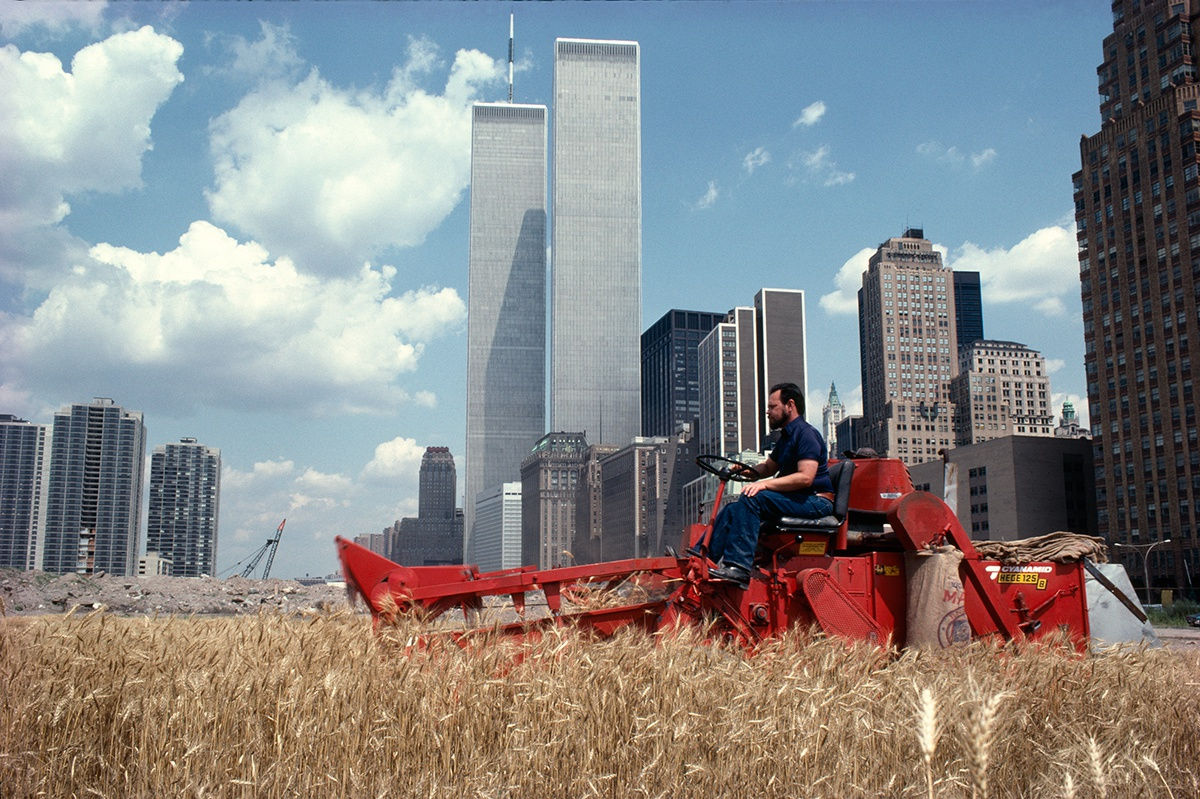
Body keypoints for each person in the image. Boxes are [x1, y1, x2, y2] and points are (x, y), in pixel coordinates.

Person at [703, 382, 833, 589]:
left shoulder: (806, 434)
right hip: (798, 498)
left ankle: (738, 567)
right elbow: (768, 468)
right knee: (732, 509)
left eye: (773, 407)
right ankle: (702, 559)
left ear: (790, 405)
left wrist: (764, 486)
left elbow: (805, 478)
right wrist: (744, 470)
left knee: (753, 497)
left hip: (816, 501)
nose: (768, 411)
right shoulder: (786, 438)